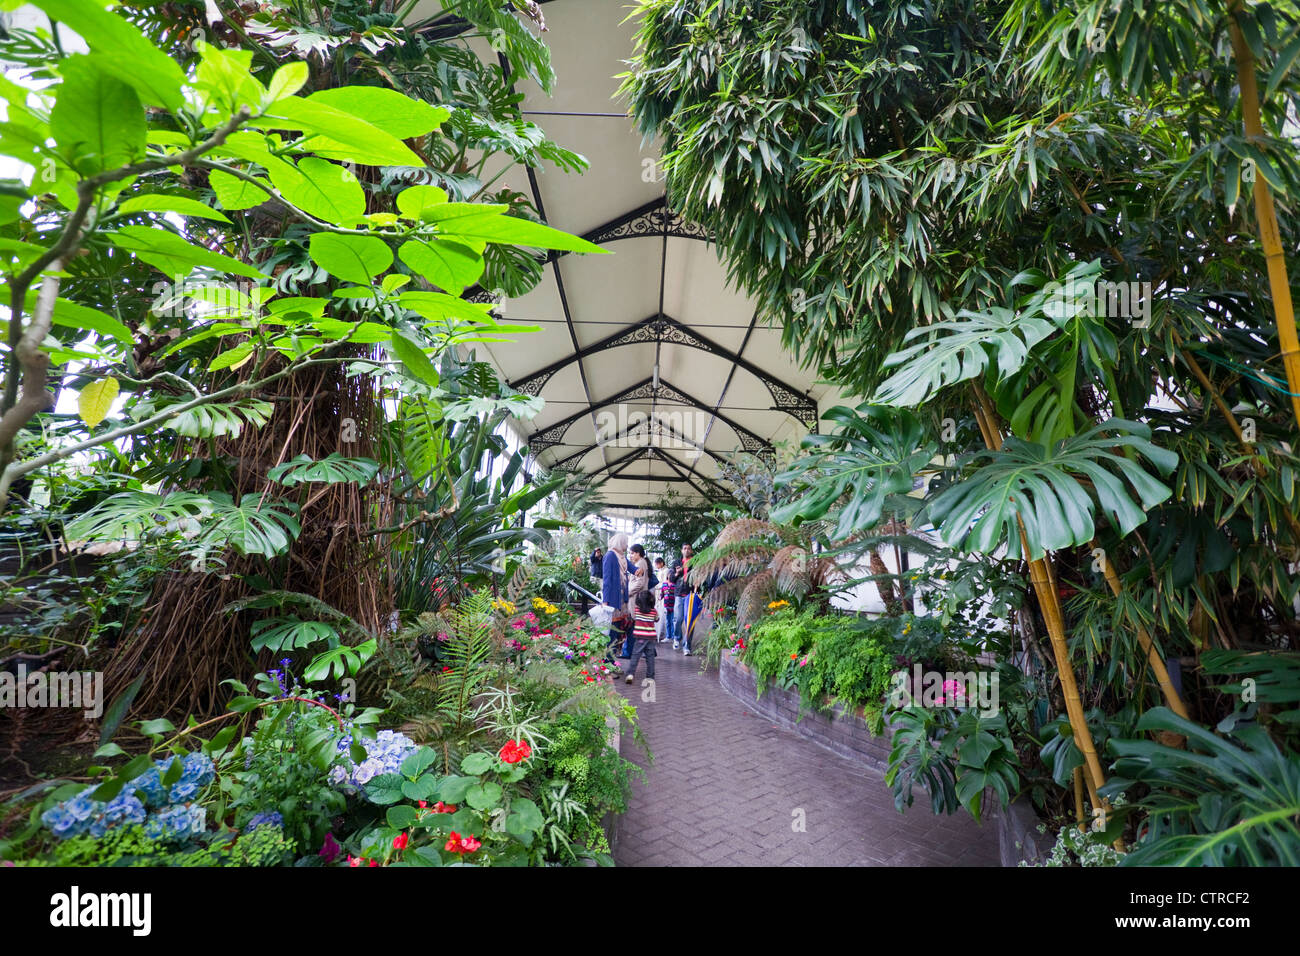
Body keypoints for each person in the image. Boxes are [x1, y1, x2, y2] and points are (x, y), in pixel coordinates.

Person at [601, 534, 630, 671]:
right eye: (625, 542)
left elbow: (629, 566)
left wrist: (637, 571)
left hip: (620, 602)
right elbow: (606, 580)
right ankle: (607, 663)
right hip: (612, 601)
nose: (627, 545)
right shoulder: (610, 556)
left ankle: (611, 662)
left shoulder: (622, 557)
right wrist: (605, 601)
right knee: (611, 633)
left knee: (615, 633)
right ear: (620, 542)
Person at [624, 589, 658, 685]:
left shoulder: (637, 610)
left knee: (635, 656)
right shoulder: (653, 611)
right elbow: (657, 619)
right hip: (651, 638)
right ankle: (650, 677)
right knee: (650, 657)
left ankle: (630, 674)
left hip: (640, 637)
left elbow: (633, 617)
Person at [623, 544, 649, 656]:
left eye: (632, 553)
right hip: (638, 598)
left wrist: (626, 593)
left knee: (634, 625)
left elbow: (639, 583)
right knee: (636, 626)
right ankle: (634, 651)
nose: (630, 555)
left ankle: (630, 652)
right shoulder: (640, 563)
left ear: (638, 553)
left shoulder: (640, 563)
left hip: (636, 598)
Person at [678, 582, 704, 656]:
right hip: (679, 595)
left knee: (690, 623)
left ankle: (686, 646)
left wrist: (696, 586)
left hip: (691, 597)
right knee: (678, 620)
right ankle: (677, 638)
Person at [654, 557, 674, 643]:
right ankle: (660, 632)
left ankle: (665, 634)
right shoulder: (659, 571)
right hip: (659, 594)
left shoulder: (666, 571)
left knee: (664, 614)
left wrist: (657, 586)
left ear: (661, 563)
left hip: (665, 594)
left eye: (657, 564)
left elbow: (665, 582)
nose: (656, 566)